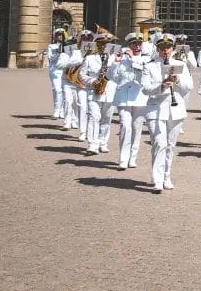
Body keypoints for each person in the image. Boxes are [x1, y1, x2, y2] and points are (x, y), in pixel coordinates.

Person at [140, 33, 193, 193]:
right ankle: (157, 179)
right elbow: (145, 89)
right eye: (162, 48)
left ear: (173, 48)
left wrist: (178, 80)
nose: (165, 51)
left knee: (170, 145)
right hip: (155, 109)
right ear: (157, 49)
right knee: (159, 143)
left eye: (168, 47)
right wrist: (161, 85)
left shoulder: (179, 64)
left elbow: (189, 86)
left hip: (175, 109)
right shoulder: (149, 65)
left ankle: (166, 176)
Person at [110, 32, 150, 170]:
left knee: (136, 128)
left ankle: (133, 157)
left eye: (139, 44)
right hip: (123, 97)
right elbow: (112, 77)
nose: (137, 46)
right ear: (129, 45)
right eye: (134, 44)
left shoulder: (147, 59)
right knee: (125, 127)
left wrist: (133, 58)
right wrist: (115, 62)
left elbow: (143, 70)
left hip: (139, 97)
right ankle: (123, 158)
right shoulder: (123, 59)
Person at [79, 32, 117, 155]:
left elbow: (118, 76)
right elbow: (81, 75)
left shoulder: (114, 58)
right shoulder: (90, 58)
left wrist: (116, 63)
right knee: (94, 117)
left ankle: (103, 143)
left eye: (106, 44)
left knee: (106, 119)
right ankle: (92, 144)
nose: (103, 46)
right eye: (101, 44)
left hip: (110, 92)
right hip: (94, 92)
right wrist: (92, 81)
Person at [47, 28, 66, 119]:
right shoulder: (51, 46)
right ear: (55, 36)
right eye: (58, 35)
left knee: (63, 91)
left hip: (64, 71)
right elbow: (50, 58)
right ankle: (56, 110)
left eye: (61, 35)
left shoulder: (67, 46)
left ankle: (62, 110)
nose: (60, 36)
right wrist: (58, 52)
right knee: (57, 90)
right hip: (55, 70)